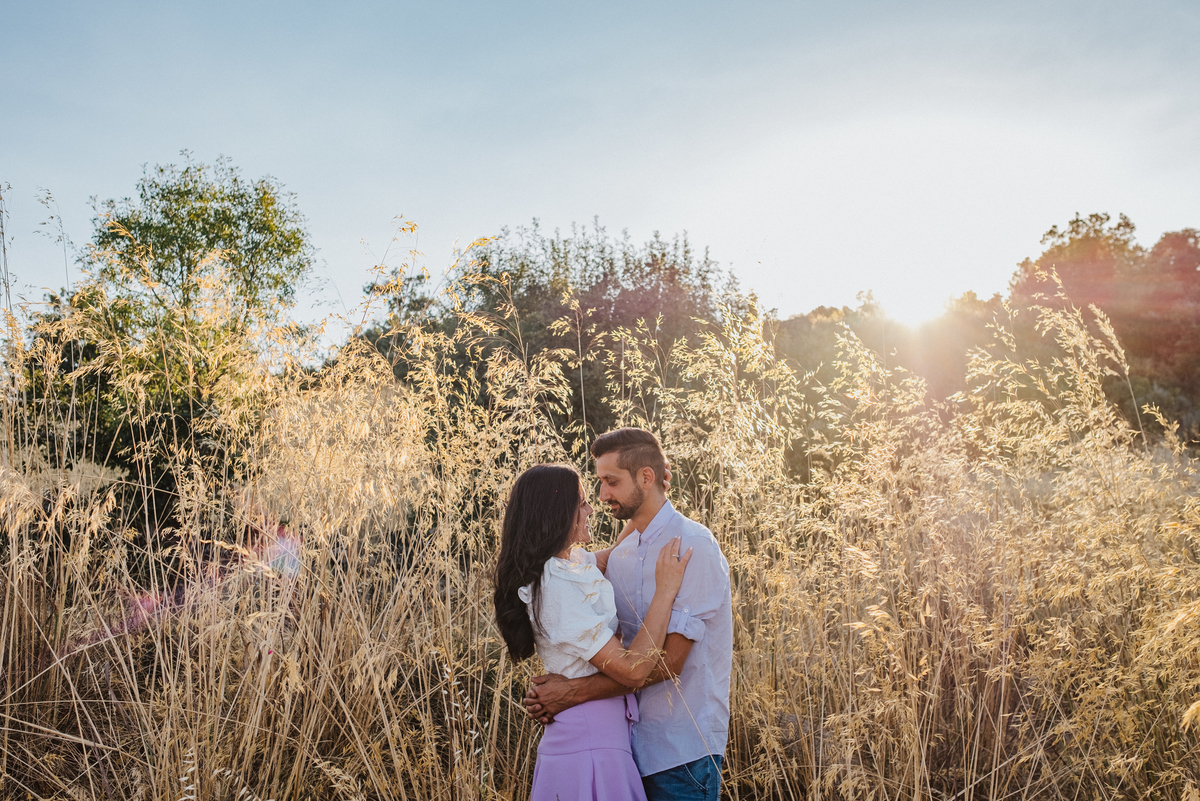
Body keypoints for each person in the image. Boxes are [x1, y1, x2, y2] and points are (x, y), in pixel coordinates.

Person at [523, 429, 733, 801]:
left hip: (679, 753)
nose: (602, 495)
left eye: (611, 482)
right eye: (600, 483)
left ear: (647, 478)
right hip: (622, 748)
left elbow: (667, 664)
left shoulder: (691, 547)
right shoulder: (618, 557)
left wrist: (571, 692)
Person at [493, 463, 693, 801]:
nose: (590, 509)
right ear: (558, 514)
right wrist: (665, 590)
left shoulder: (567, 567)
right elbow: (634, 669)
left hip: (594, 739)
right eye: (582, 503)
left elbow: (616, 552)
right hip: (589, 747)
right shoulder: (556, 586)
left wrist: (649, 492)